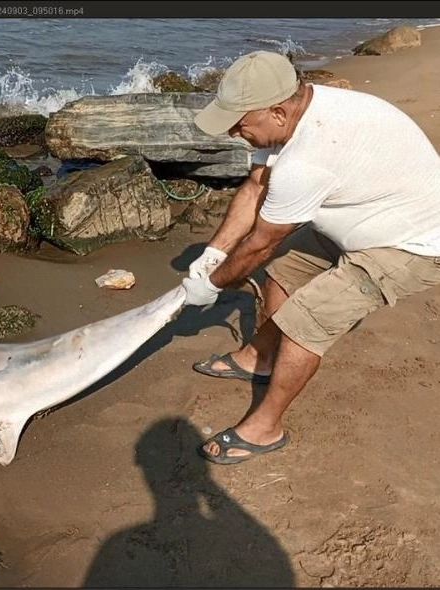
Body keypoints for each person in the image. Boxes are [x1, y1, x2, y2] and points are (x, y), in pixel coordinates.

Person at [181, 50, 440, 464]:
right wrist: (213, 254)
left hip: (414, 243)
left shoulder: (306, 161)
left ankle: (265, 429)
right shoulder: (299, 111)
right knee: (282, 273)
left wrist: (211, 285)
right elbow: (254, 188)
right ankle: (259, 358)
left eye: (239, 124)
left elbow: (260, 242)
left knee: (307, 320)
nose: (233, 133)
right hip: (364, 213)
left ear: (278, 112)